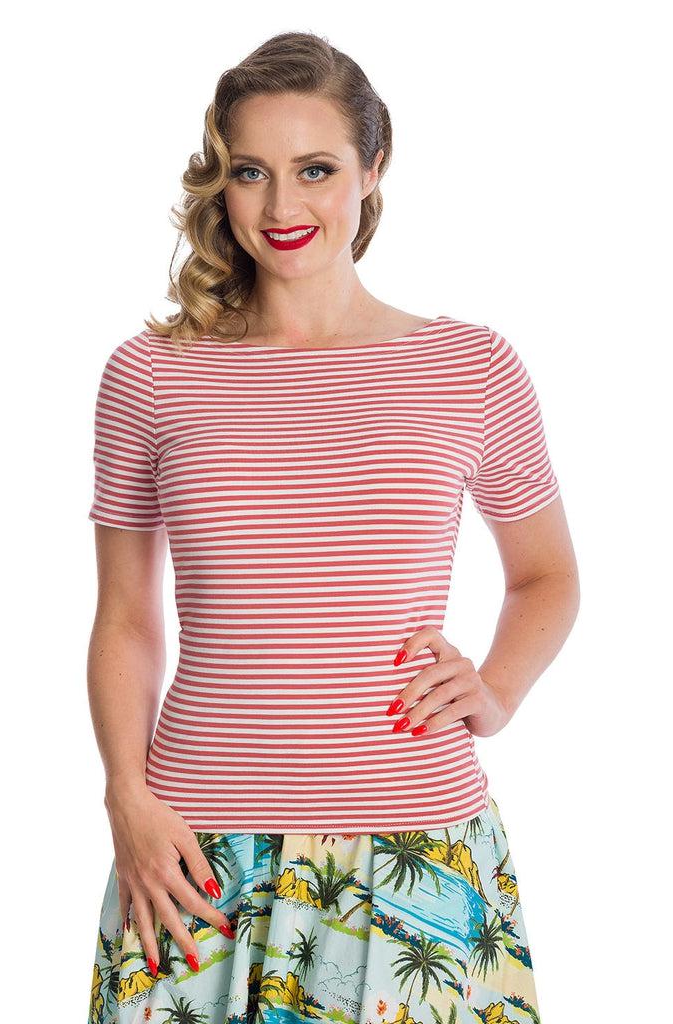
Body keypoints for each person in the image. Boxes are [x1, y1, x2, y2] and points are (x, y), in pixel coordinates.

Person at [86, 30, 579, 1024]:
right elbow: (127, 617)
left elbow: (547, 576)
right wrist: (124, 798)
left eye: (315, 169)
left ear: (373, 168)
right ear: (220, 183)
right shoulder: (152, 374)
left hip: (413, 848)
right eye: (250, 172)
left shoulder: (470, 367)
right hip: (192, 848)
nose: (281, 207)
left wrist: (495, 690)